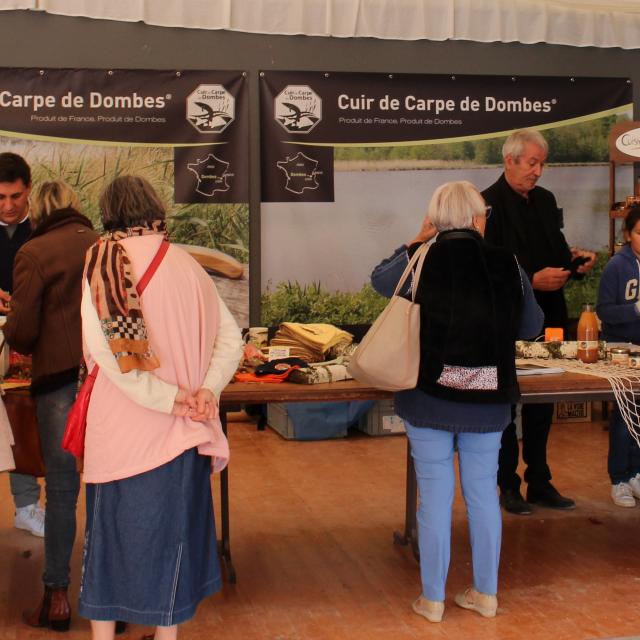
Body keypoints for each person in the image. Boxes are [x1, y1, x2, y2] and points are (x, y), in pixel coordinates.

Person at [77, 175, 243, 640]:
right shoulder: (187, 265)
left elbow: (109, 357)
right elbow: (230, 341)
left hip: (122, 435)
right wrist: (205, 392)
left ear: (108, 214)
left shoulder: (103, 266)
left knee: (110, 548)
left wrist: (169, 399)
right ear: (154, 210)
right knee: (174, 547)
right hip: (187, 431)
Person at [371, 181, 543, 622]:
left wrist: (416, 238)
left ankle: (432, 601)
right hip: (488, 402)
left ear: (435, 219)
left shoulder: (423, 257)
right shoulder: (509, 263)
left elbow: (380, 280)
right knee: (483, 494)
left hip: (428, 398)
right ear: (478, 218)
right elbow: (531, 326)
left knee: (434, 496)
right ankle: (486, 595)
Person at [482, 128, 596, 515]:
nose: (538, 172)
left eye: (541, 164)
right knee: (507, 403)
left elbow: (556, 253)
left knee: (543, 401)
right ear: (509, 160)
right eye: (532, 163)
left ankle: (540, 481)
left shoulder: (545, 201)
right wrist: (530, 280)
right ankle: (507, 484)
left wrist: (575, 264)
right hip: (509, 320)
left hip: (550, 315)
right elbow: (485, 269)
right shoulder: (487, 205)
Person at [3, 180, 98, 630]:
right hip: (110, 382)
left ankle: (55, 598)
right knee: (105, 487)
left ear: (36, 212)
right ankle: (108, 598)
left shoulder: (34, 253)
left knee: (61, 492)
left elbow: (20, 333)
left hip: (59, 382)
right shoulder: (104, 246)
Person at [0, 152, 44, 537]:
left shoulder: (45, 229)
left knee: (22, 421)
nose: (9, 205)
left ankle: (27, 506)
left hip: (30, 344)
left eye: (15, 196)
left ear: (28, 189)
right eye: (0, 198)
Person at [596, 206, 640, 507]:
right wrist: (635, 309)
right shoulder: (617, 266)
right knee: (625, 416)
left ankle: (636, 473)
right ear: (628, 235)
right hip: (621, 349)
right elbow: (604, 311)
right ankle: (619, 479)